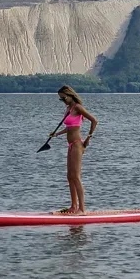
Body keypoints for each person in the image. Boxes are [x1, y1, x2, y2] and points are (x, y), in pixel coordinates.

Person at [53, 85, 98, 214]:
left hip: (78, 144)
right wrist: (56, 134)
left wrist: (88, 138)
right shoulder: (68, 109)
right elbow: (70, 127)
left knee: (76, 176)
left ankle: (82, 209)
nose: (63, 101)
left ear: (70, 95)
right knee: (70, 176)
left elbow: (94, 121)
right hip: (70, 145)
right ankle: (73, 206)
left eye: (63, 98)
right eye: (60, 99)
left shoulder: (78, 107)